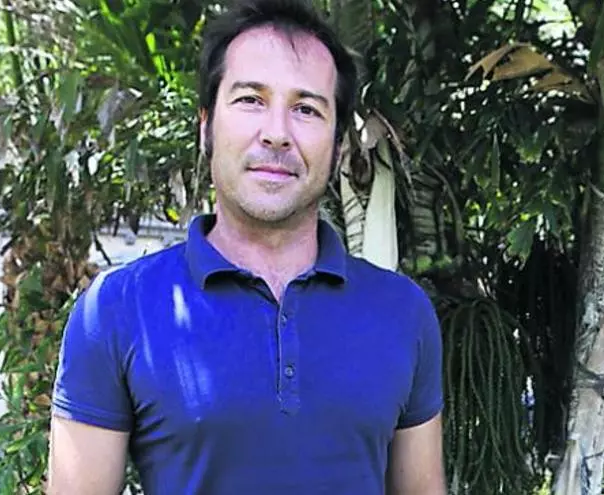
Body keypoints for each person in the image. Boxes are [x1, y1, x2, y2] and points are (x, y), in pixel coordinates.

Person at [47, 0, 446, 493]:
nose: (277, 133)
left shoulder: (403, 312)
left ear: (339, 146)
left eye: (306, 109)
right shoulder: (116, 310)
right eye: (251, 100)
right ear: (206, 128)